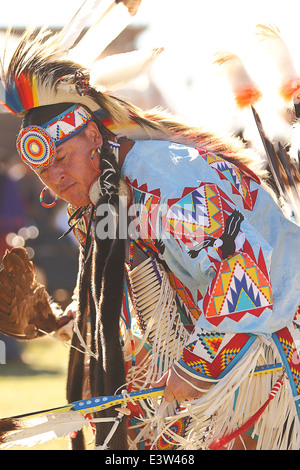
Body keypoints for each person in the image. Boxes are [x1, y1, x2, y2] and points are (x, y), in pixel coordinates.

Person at [0, 19, 300, 451]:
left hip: (274, 337)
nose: (56, 179)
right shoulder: (96, 199)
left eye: (62, 158)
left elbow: (243, 271)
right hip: (215, 336)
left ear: (92, 133)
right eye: (42, 171)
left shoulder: (170, 182)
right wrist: (74, 330)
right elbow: (124, 296)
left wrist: (197, 366)